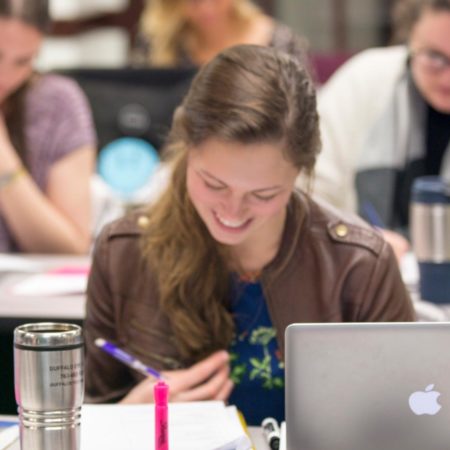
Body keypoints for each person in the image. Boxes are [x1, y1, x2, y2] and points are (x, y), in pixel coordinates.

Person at [84, 45, 415, 426]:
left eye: (263, 194)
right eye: (213, 183)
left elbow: (407, 424)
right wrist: (128, 417)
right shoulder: (122, 253)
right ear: (186, 150)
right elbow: (91, 418)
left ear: (300, 174)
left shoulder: (360, 265)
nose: (232, 212)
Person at [311, 0, 450, 261]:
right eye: (435, 57)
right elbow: (308, 191)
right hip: (360, 270)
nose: (447, 78)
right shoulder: (364, 82)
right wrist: (352, 236)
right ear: (409, 39)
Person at [0, 0, 96, 253]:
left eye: (23, 61)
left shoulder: (57, 103)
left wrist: (4, 160)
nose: (5, 76)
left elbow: (70, 248)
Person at [131, 0, 307, 68]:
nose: (206, 7)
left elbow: (303, 119)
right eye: (194, 2)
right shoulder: (159, 43)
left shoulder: (280, 42)